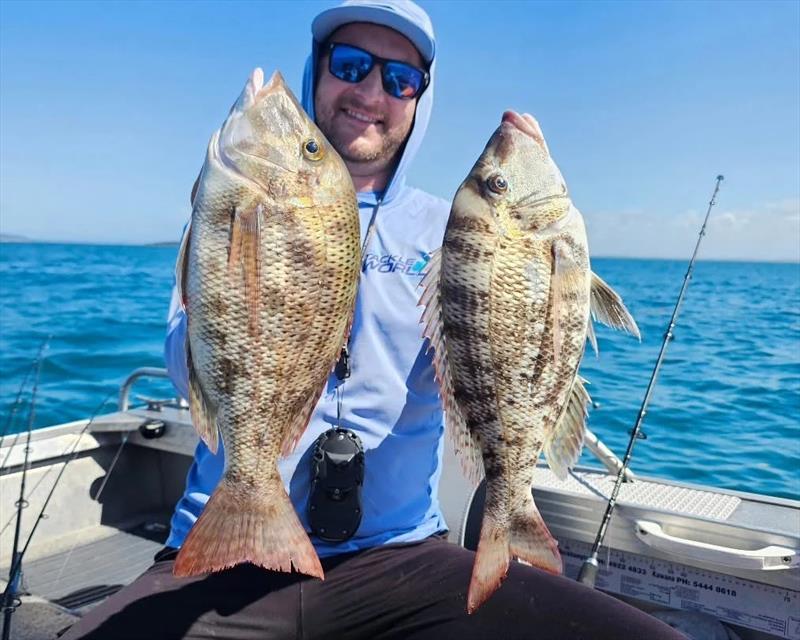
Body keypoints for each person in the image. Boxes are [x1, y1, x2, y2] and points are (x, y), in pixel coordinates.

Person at [63, 1, 685, 638]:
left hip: (399, 557)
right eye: (352, 65)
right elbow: (186, 364)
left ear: (420, 99)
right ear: (318, 72)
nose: (370, 92)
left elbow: (508, 353)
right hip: (222, 543)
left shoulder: (459, 230)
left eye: (399, 79)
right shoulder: (239, 206)